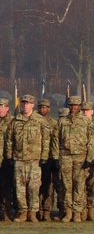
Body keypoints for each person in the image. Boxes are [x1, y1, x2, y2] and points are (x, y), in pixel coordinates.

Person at [7, 92, 48, 222]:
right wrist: (9, 157)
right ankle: (22, 212)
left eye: (28, 103)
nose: (25, 106)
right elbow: (10, 140)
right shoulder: (15, 121)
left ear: (33, 105)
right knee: (20, 187)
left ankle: (33, 212)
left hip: (34, 159)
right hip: (19, 159)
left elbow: (46, 140)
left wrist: (44, 156)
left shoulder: (40, 120)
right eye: (24, 103)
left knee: (33, 187)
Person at [57, 94, 94, 222]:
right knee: (66, 185)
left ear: (79, 106)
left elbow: (92, 141)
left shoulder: (86, 121)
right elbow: (56, 140)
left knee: (79, 185)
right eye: (71, 105)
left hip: (81, 157)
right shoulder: (62, 122)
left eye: (75, 105)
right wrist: (56, 157)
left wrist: (89, 159)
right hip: (65, 156)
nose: (73, 107)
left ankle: (77, 212)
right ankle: (68, 212)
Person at [0, 92, 14, 220]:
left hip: (7, 160)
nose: (0, 109)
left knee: (7, 187)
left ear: (7, 108)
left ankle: (6, 211)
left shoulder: (13, 122)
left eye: (3, 106)